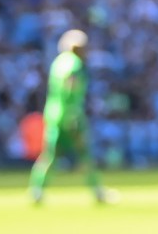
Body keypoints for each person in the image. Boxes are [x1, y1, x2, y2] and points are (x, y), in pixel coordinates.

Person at [27, 29, 114, 205]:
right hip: (71, 116)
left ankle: (36, 191)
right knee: (85, 155)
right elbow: (71, 84)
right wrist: (73, 112)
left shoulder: (58, 62)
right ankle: (97, 191)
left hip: (53, 115)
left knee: (49, 156)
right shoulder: (75, 64)